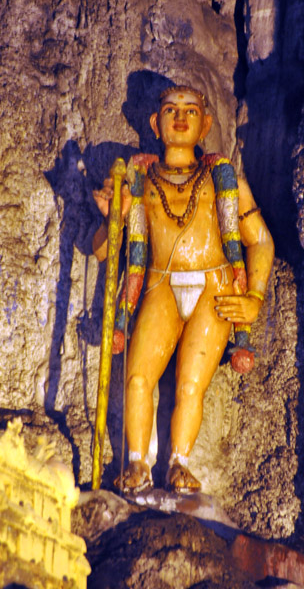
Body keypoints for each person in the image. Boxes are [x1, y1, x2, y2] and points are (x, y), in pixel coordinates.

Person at [92, 85, 274, 493]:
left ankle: (179, 462)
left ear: (205, 123)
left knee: (192, 384)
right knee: (138, 377)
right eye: (171, 110)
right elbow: (104, 252)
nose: (180, 117)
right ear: (155, 124)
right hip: (158, 284)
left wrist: (255, 298)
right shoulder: (137, 180)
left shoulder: (222, 178)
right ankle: (137, 463)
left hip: (214, 287)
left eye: (191, 111)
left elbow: (259, 240)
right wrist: (112, 219)